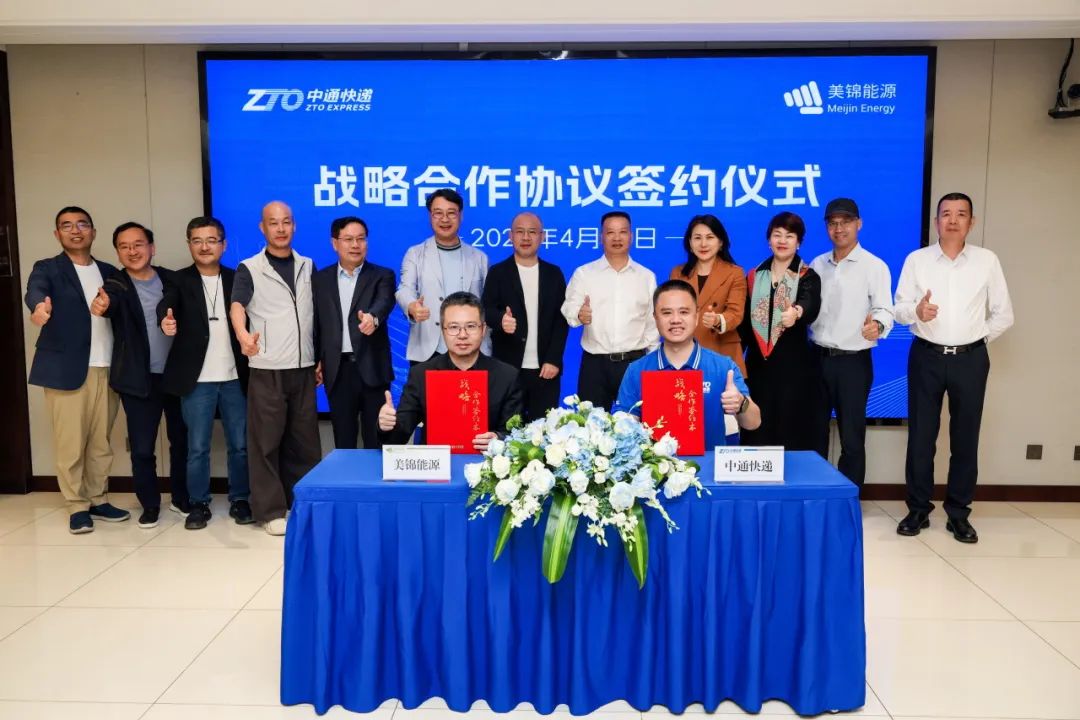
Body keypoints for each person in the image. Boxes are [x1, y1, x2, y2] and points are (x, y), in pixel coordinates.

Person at [893, 192, 1013, 543]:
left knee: (965, 438)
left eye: (961, 214)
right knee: (921, 437)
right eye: (946, 214)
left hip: (970, 359)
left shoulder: (987, 261)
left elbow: (1004, 314)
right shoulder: (917, 260)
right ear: (936, 222)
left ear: (971, 222)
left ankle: (959, 513)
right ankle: (917, 509)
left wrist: (976, 339)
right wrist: (917, 311)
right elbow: (899, 308)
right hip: (926, 356)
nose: (953, 220)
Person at [24, 206, 127, 534]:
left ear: (93, 232)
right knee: (70, 443)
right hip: (65, 369)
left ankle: (98, 498)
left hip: (107, 367)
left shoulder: (110, 271)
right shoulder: (47, 268)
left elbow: (122, 305)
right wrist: (39, 308)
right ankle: (77, 505)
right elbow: (35, 292)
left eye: (82, 224)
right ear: (57, 234)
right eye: (66, 225)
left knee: (101, 442)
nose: (75, 230)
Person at [229, 201, 321, 536]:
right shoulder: (249, 267)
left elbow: (315, 315)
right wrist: (242, 336)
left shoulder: (308, 265)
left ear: (294, 226)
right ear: (262, 227)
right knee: (265, 443)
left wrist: (319, 357)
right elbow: (237, 305)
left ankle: (303, 505)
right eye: (273, 222)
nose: (280, 228)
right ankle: (270, 511)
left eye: (286, 222)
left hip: (303, 367)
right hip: (267, 368)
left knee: (304, 443)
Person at [158, 216, 252, 531]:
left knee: (240, 445)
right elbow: (166, 305)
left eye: (211, 240)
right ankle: (198, 504)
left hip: (235, 377)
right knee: (197, 447)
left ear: (223, 245)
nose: (204, 247)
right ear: (189, 245)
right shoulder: (178, 280)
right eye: (197, 241)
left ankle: (241, 499)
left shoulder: (238, 277)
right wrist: (165, 321)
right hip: (196, 379)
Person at [96, 222, 189, 529]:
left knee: (182, 441)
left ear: (152, 248)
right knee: (141, 448)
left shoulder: (171, 279)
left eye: (138, 244)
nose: (132, 251)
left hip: (176, 376)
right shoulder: (116, 283)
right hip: (138, 378)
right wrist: (103, 304)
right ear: (118, 252)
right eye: (124, 246)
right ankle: (149, 504)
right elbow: (109, 300)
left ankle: (180, 497)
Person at [809, 198, 894, 487]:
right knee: (815, 433)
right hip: (816, 358)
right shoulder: (817, 264)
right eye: (832, 223)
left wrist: (877, 326)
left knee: (852, 437)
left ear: (859, 224)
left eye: (845, 222)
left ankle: (848, 499)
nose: (839, 228)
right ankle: (817, 496)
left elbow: (884, 309)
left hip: (853, 362)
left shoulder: (874, 266)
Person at [617, 280, 761, 446]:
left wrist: (740, 403)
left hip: (710, 462)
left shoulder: (723, 367)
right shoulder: (636, 370)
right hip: (657, 463)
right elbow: (624, 427)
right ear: (655, 318)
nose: (675, 320)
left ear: (696, 316)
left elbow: (753, 423)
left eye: (684, 312)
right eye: (666, 313)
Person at [378, 292, 523, 449]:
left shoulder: (507, 376)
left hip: (485, 462)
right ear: (443, 331)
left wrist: (498, 439)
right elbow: (397, 438)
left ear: (483, 330)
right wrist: (386, 425)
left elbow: (515, 434)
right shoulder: (421, 374)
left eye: (471, 326)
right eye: (454, 327)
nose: (462, 335)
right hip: (435, 462)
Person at [738, 211, 824, 452]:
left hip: (794, 368)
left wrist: (796, 312)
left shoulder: (807, 276)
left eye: (790, 236)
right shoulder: (754, 276)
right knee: (756, 429)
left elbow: (810, 303)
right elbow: (744, 325)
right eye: (777, 235)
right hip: (758, 368)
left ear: (799, 242)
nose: (782, 241)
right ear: (769, 240)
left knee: (791, 430)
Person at [561, 211, 659, 411]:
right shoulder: (584, 273)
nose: (617, 238)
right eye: (610, 232)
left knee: (638, 422)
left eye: (622, 232)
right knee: (590, 424)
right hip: (595, 365)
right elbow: (568, 307)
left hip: (634, 363)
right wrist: (579, 314)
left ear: (631, 236)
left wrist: (653, 362)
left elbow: (652, 323)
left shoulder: (646, 277)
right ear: (601, 237)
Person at [313, 216, 395, 449]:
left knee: (376, 439)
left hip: (373, 369)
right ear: (335, 243)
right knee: (343, 439)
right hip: (338, 370)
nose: (355, 245)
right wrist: (317, 359)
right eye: (348, 239)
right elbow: (317, 323)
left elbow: (384, 302)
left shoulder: (382, 275)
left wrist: (373, 318)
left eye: (361, 239)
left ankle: (375, 476)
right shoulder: (320, 279)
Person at [481, 212, 568, 421]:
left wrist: (553, 360)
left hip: (545, 370)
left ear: (542, 236)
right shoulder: (498, 272)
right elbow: (486, 310)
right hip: (507, 368)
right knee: (507, 429)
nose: (526, 237)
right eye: (520, 232)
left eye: (532, 232)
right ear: (511, 236)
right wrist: (501, 320)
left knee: (544, 430)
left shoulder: (554, 274)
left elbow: (561, 321)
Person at [396, 188, 488, 364]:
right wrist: (412, 306)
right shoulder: (415, 254)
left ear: (461, 216)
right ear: (430, 216)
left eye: (451, 213)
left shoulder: (479, 258)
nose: (445, 219)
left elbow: (488, 302)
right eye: (438, 213)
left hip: (470, 348)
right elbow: (405, 289)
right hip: (428, 350)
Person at [668, 214, 747, 375]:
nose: (703, 244)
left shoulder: (735, 273)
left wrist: (718, 320)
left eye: (710, 237)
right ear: (690, 243)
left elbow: (736, 313)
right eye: (697, 238)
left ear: (720, 242)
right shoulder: (677, 273)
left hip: (722, 353)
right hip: (685, 353)